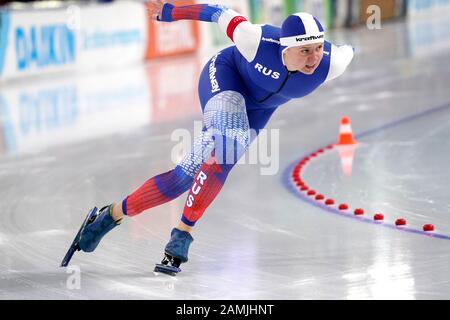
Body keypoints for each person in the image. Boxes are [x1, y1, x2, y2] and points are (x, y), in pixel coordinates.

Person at [61, 0, 354, 275]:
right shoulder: (254, 40)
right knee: (228, 146)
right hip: (226, 78)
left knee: (181, 180)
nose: (314, 58)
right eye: (304, 51)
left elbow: (347, 48)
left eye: (317, 48)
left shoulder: (332, 62)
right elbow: (216, 10)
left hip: (258, 110)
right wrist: (169, 11)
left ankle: (108, 216)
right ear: (285, 49)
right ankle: (182, 234)